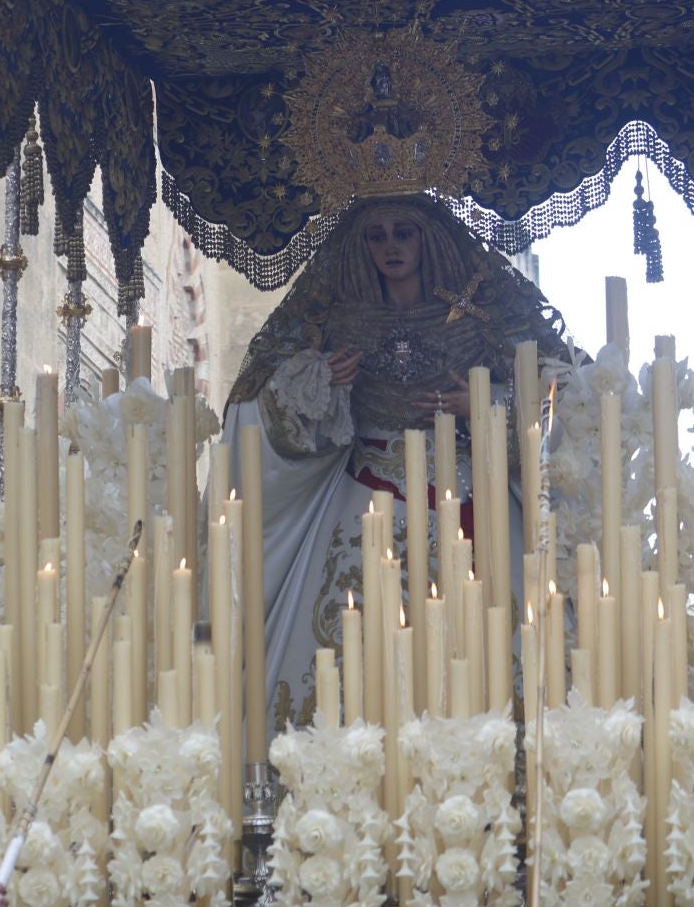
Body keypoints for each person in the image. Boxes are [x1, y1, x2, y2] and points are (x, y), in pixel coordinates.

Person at [221, 193, 571, 721]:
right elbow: (263, 406)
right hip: (367, 496)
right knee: (350, 641)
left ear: (428, 238)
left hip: (469, 495)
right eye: (376, 235)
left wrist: (483, 404)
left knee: (485, 641)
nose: (390, 247)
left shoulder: (479, 319)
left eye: (403, 233)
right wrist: (319, 383)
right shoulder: (336, 323)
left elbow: (554, 391)